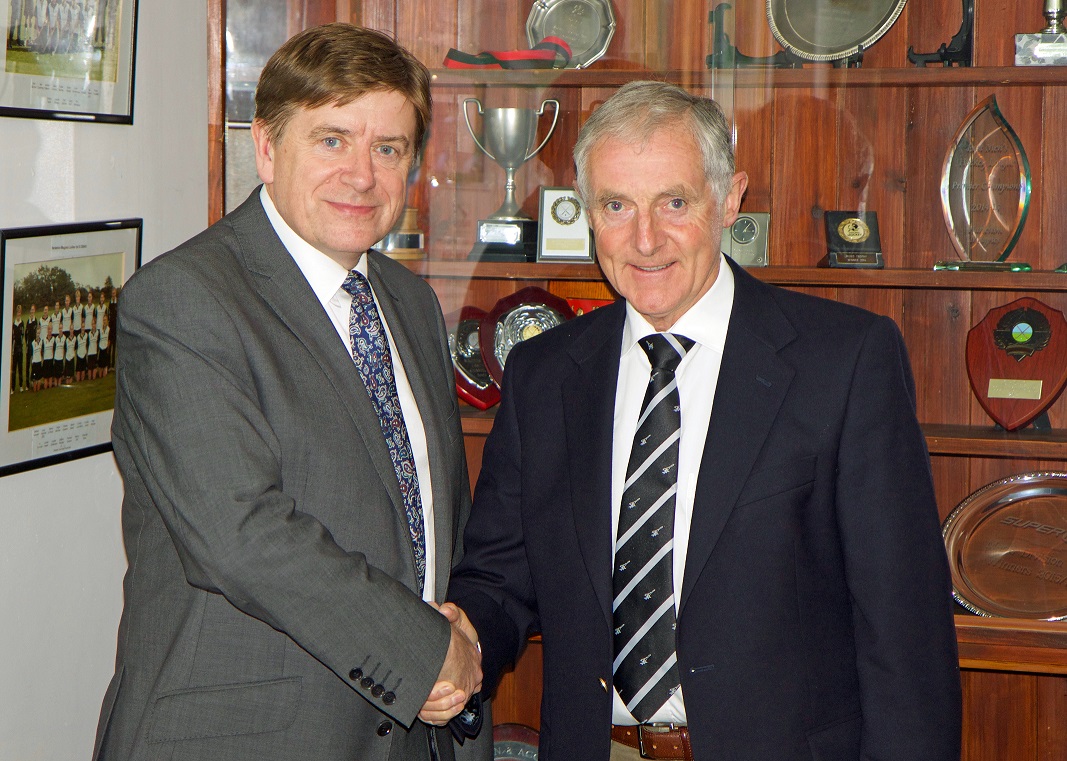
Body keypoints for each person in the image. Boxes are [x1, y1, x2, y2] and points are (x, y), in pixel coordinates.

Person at [447, 81, 962, 760]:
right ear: (586, 214)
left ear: (730, 200)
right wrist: (462, 639)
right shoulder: (544, 373)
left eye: (674, 202)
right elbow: (500, 573)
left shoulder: (842, 361)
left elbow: (904, 629)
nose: (645, 238)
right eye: (615, 206)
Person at [94, 23, 487, 761]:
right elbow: (240, 534)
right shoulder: (182, 302)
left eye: (388, 148)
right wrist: (425, 652)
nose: (361, 175)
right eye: (332, 140)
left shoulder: (408, 303)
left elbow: (433, 523)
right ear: (267, 149)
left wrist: (460, 644)